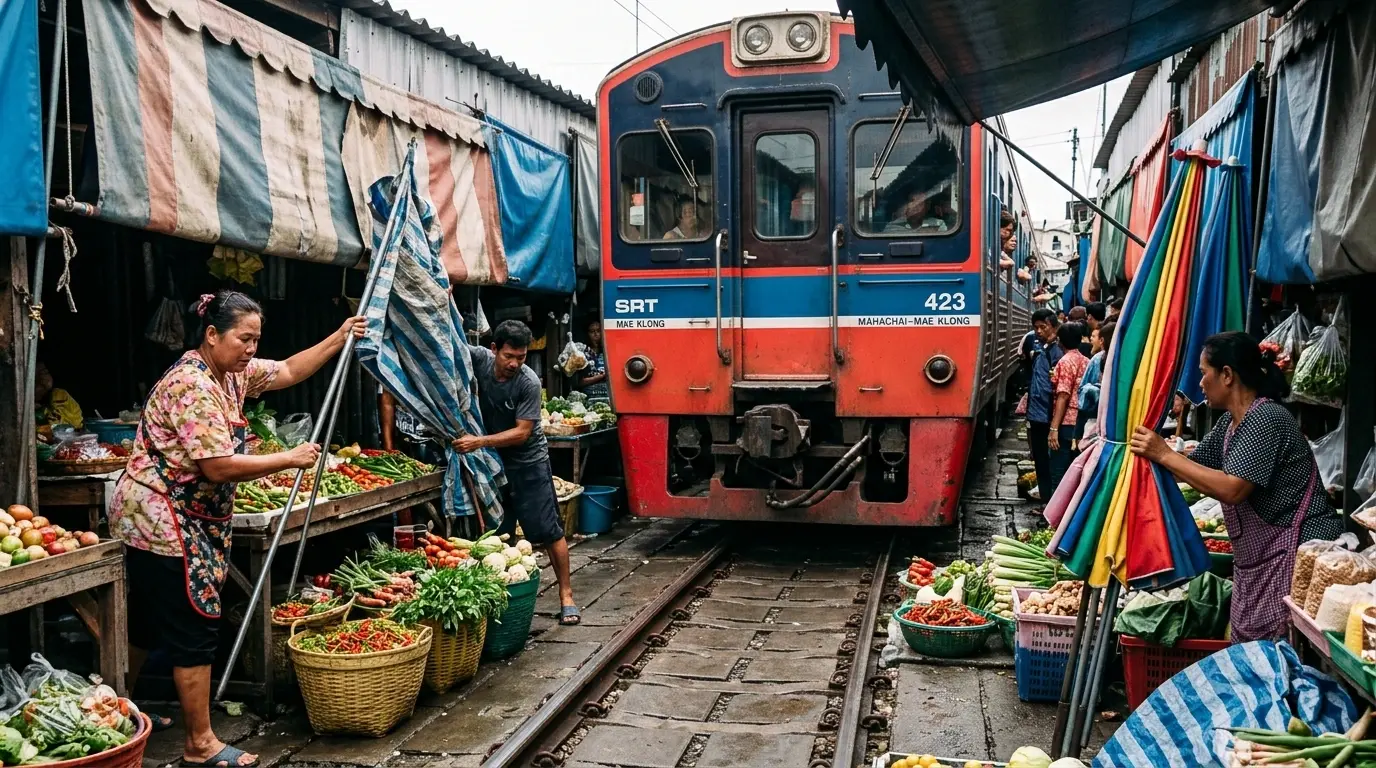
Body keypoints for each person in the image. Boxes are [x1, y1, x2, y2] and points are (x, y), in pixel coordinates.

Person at [109, 291, 363, 767]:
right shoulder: (193, 386)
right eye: (244, 339)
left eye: (255, 340)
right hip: (162, 518)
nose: (251, 349)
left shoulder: (230, 374)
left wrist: (339, 336)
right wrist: (287, 459)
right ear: (211, 335)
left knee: (146, 620)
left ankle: (124, 710)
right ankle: (199, 744)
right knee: (192, 625)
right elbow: (218, 466)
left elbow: (287, 370)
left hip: (185, 516)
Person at [1129, 332, 1344, 642]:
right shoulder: (1231, 424)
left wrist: (1163, 453)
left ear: (1227, 375)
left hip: (1298, 556)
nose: (1200, 383)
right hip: (1263, 561)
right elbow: (1194, 468)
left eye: (1204, 373)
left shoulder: (1265, 418)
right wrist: (1148, 455)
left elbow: (1232, 488)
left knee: (1286, 655)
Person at [456, 320, 580, 625]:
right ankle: (502, 600)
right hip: (492, 463)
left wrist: (479, 441)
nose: (514, 363)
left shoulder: (528, 382)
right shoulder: (479, 359)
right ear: (494, 349)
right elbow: (450, 342)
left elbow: (523, 432)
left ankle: (566, 596)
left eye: (521, 357)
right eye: (509, 356)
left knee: (549, 530)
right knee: (499, 533)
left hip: (529, 462)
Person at [1025, 309, 1062, 502]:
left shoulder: (1056, 352)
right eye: (1036, 327)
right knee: (1040, 460)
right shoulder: (1040, 348)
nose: (1039, 331)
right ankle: (1045, 500)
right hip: (1036, 414)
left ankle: (1050, 502)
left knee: (1049, 463)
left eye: (1043, 327)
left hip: (1048, 414)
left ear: (1054, 327)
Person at [1047, 322, 1089, 493]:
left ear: (1060, 341)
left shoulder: (1065, 362)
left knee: (1059, 471)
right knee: (1077, 473)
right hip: (1082, 424)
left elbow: (1063, 395)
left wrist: (1053, 428)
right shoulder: (1087, 361)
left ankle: (1056, 515)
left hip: (1066, 424)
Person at [1077, 319, 1115, 443]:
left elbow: (1082, 392)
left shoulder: (1097, 360)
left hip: (1096, 420)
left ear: (1102, 341)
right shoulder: (1129, 360)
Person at [34, 361, 84, 430]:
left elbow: (73, 423)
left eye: (46, 372)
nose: (44, 377)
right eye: (42, 373)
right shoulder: (28, 402)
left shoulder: (59, 395)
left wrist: (42, 410)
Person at [576, 319, 610, 399]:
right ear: (587, 334)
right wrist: (601, 376)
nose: (596, 334)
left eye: (598, 331)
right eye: (592, 332)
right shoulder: (582, 354)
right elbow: (579, 382)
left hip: (608, 395)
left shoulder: (609, 351)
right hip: (589, 395)